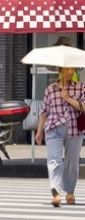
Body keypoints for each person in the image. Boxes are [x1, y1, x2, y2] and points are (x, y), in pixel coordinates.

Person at [35, 66, 84, 207]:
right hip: (53, 129)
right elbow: (44, 111)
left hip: (74, 129)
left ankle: (70, 191)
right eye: (67, 69)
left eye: (72, 69)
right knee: (54, 160)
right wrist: (39, 131)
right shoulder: (50, 89)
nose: (70, 72)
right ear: (60, 70)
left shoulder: (80, 87)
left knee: (72, 162)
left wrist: (68, 98)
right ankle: (56, 192)